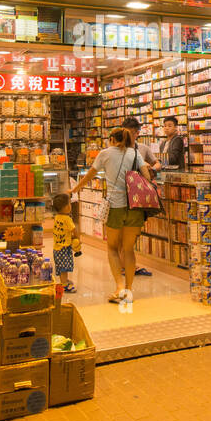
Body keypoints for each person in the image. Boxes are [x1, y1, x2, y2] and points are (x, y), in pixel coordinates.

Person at [69, 127, 152, 304]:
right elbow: (147, 176)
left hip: (115, 205)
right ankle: (129, 291)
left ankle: (119, 288)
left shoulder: (105, 154)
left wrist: (76, 189)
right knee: (128, 250)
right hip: (135, 206)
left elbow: (90, 175)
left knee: (113, 248)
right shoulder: (135, 153)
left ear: (113, 139)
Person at [119, 117, 154, 277]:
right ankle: (126, 265)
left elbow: (154, 164)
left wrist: (149, 168)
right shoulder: (117, 149)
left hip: (135, 196)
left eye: (132, 133)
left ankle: (126, 264)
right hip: (123, 196)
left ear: (137, 133)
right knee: (123, 233)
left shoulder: (140, 149)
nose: (129, 136)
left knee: (131, 232)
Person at [51, 192, 78, 293]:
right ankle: (64, 285)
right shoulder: (67, 219)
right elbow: (73, 230)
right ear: (67, 207)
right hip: (64, 247)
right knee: (64, 267)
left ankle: (64, 281)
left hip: (57, 247)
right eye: (69, 204)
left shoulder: (57, 217)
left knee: (61, 265)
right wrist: (77, 238)